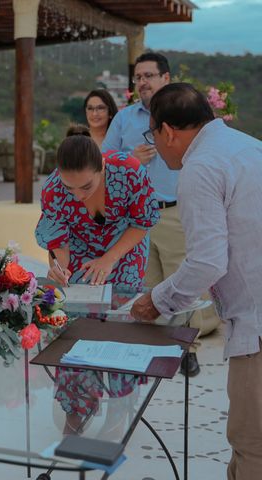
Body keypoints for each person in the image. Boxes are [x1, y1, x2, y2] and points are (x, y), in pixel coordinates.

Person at [130, 82, 262, 480]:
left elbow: (206, 262)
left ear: (166, 131)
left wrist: (156, 300)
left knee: (252, 444)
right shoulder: (248, 146)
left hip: (257, 326)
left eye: (151, 132)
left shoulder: (200, 167)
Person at [102, 52, 219, 377]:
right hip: (135, 219)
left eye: (149, 76)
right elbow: (102, 161)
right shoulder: (125, 118)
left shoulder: (183, 115)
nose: (142, 82)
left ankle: (187, 350)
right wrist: (129, 157)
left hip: (174, 214)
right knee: (144, 284)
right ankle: (148, 351)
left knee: (183, 284)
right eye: (138, 77)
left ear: (165, 78)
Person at [35, 126, 159, 290]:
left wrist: (109, 259)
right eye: (69, 188)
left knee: (123, 302)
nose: (78, 196)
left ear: (102, 165)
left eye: (86, 187)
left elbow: (142, 222)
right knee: (76, 301)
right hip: (79, 248)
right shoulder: (53, 190)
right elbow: (59, 242)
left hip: (125, 244)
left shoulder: (129, 171)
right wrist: (59, 269)